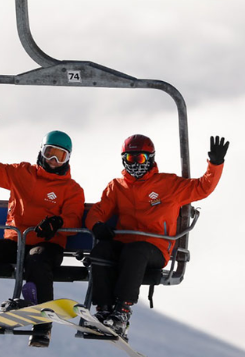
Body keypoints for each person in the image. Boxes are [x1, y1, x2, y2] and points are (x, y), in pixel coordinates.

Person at [0, 113, 85, 348]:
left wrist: (57, 223)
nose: (53, 160)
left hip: (47, 245)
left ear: (68, 159)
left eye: (60, 156)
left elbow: (73, 218)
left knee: (37, 260)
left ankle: (42, 325)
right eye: (50, 152)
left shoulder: (71, 189)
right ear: (42, 150)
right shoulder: (22, 173)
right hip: (15, 241)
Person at [85, 134, 229, 339]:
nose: (135, 164)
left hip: (155, 250)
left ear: (151, 158)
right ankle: (104, 310)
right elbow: (98, 211)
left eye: (140, 159)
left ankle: (122, 312)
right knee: (102, 250)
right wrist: (96, 225)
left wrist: (214, 164)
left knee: (136, 251)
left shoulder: (168, 184)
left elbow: (202, 187)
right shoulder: (117, 187)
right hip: (126, 247)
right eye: (130, 159)